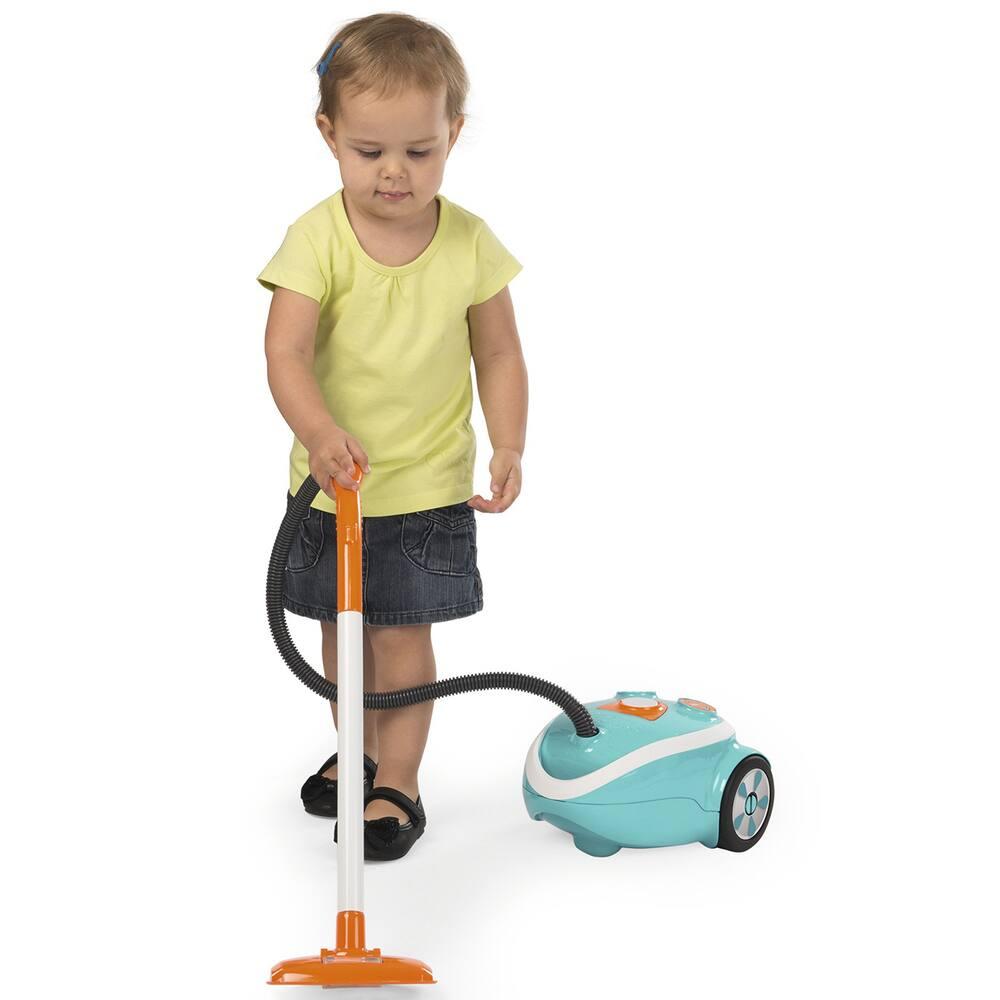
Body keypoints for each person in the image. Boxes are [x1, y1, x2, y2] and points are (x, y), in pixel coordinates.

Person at [257, 13, 527, 861]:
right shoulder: (317, 239)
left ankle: (398, 783)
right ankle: (361, 750)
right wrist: (319, 431)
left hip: (425, 494)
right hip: (330, 488)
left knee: (400, 640)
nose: (395, 172)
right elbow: (284, 351)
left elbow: (500, 351)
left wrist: (509, 442)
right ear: (328, 135)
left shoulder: (471, 244)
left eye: (420, 150)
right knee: (340, 637)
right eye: (369, 151)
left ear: (454, 133)